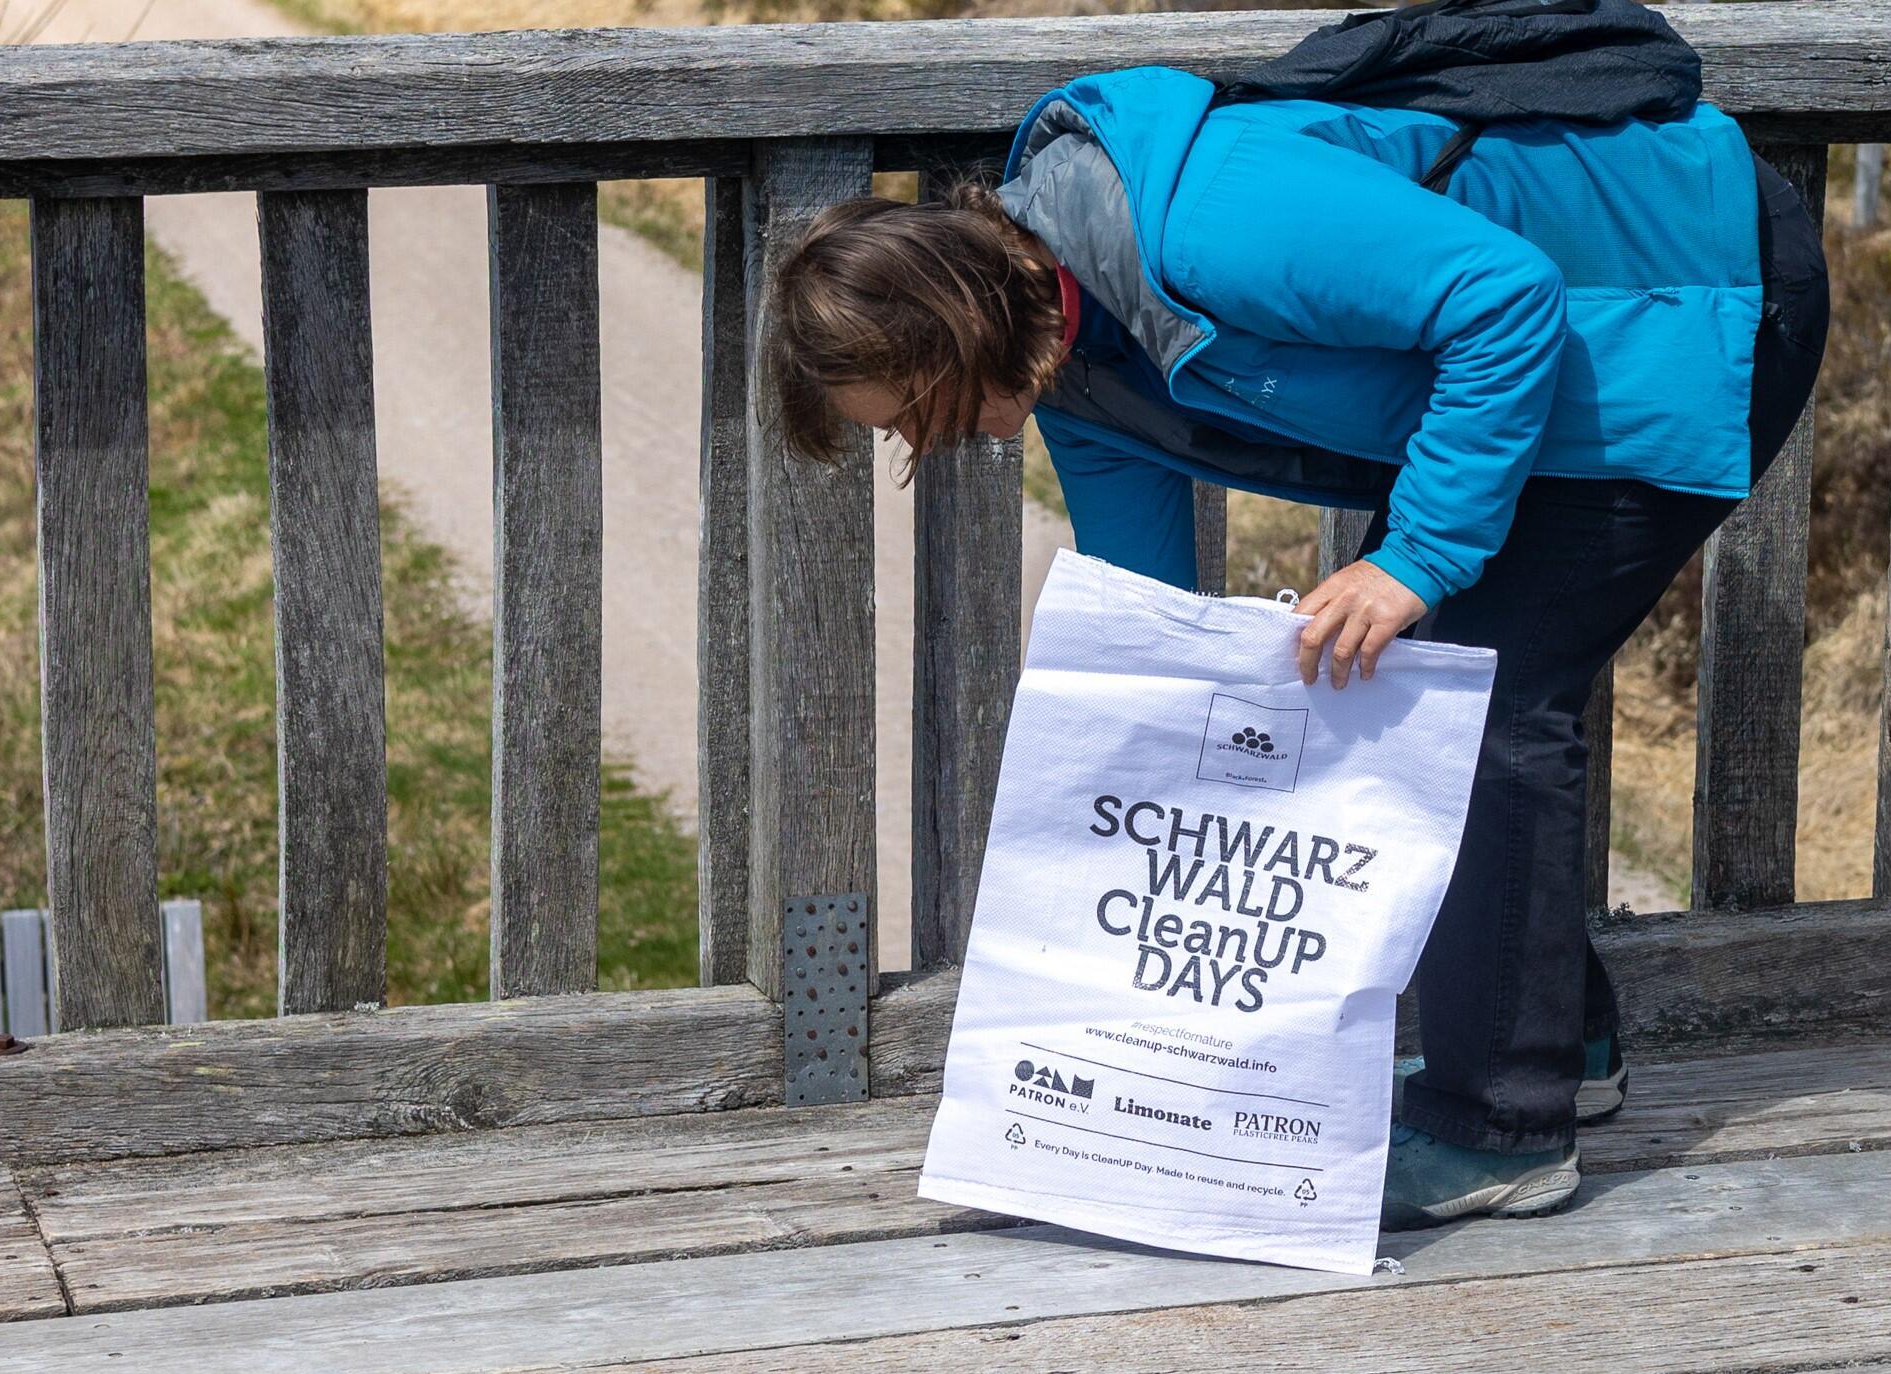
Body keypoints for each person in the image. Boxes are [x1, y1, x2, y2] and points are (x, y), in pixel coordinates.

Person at [768, 63, 1827, 1228]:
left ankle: (1501, 1129)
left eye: (918, 410)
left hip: (1681, 298)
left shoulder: (1203, 219)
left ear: (957, 326)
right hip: (1548, 361)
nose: (935, 439)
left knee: (1480, 701)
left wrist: (1416, 556)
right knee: (1425, 686)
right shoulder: (1069, 366)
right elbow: (1149, 601)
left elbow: (1505, 297)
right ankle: (1562, 1046)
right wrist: (1123, 747)